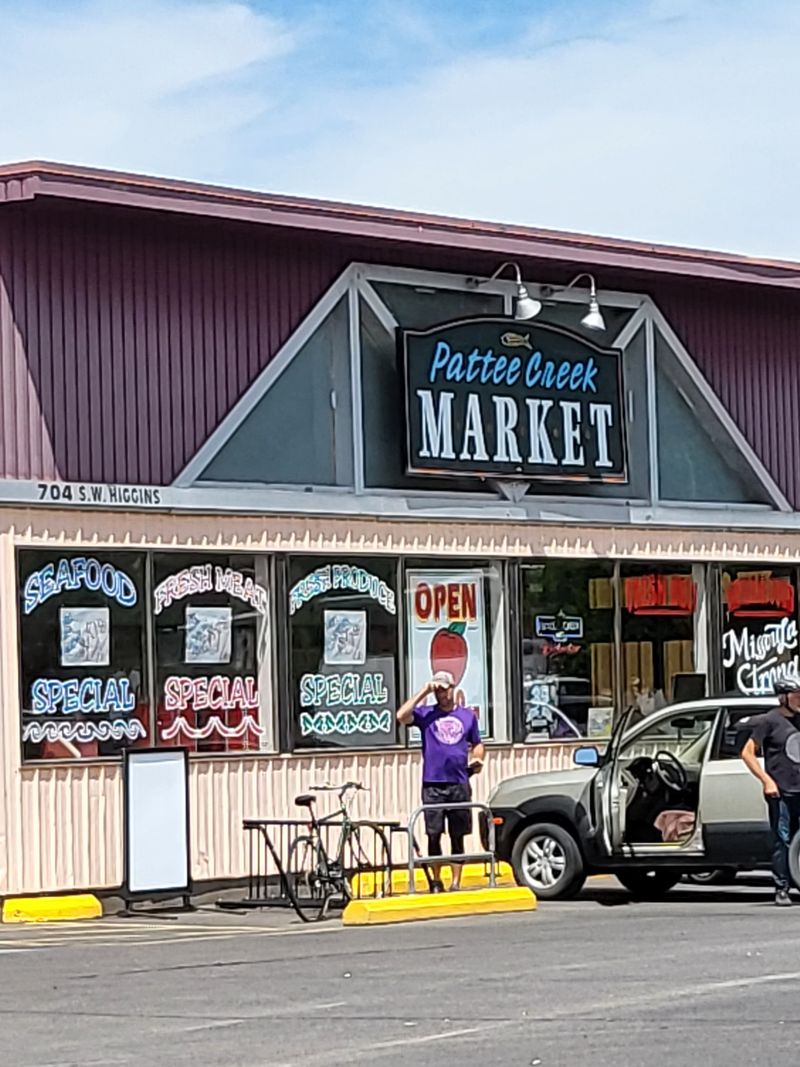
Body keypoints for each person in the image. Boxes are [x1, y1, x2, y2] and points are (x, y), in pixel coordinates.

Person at [396, 670, 486, 893]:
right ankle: (435, 881)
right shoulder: (426, 714)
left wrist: (477, 759)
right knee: (434, 834)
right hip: (433, 783)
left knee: (458, 835)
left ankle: (456, 881)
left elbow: (477, 743)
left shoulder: (467, 716)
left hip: (459, 782)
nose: (441, 694)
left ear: (452, 688)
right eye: (437, 690)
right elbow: (401, 716)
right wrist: (425, 691)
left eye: (444, 689)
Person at [740, 678, 800, 906]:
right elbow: (747, 753)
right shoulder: (769, 721)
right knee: (782, 839)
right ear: (783, 696)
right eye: (796, 695)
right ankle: (781, 887)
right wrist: (767, 781)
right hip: (781, 791)